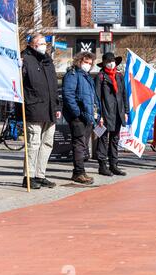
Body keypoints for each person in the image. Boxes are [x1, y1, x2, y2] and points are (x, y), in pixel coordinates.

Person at [21, 33, 60, 189]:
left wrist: (56, 106)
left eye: (45, 43)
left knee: (47, 143)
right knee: (33, 143)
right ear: (32, 44)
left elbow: (54, 87)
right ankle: (28, 176)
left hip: (49, 109)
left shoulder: (48, 61)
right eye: (41, 43)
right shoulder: (25, 60)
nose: (44, 46)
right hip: (34, 108)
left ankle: (40, 174)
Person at [62, 51, 100, 184]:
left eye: (90, 63)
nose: (88, 65)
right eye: (86, 62)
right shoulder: (72, 74)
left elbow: (92, 97)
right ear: (79, 61)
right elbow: (68, 95)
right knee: (78, 144)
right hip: (78, 117)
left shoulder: (86, 76)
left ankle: (79, 171)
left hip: (87, 116)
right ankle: (79, 172)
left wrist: (95, 114)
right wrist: (77, 113)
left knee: (82, 145)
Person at [95, 52, 128, 176]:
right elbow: (97, 97)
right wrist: (99, 115)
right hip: (105, 111)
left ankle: (114, 165)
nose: (111, 63)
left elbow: (124, 94)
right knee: (103, 138)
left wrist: (126, 111)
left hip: (118, 112)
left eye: (112, 61)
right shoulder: (100, 77)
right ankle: (102, 166)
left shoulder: (119, 76)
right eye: (108, 61)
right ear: (104, 63)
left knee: (115, 139)